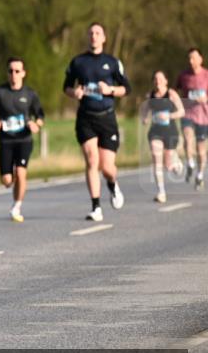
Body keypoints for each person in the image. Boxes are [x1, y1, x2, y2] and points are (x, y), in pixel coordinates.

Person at [63, 22, 132, 222]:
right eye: (91, 33)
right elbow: (66, 87)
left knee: (107, 167)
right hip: (86, 118)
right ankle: (96, 207)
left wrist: (110, 90)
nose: (94, 36)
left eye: (98, 33)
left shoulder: (112, 62)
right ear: (88, 37)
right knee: (92, 160)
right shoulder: (78, 62)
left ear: (104, 38)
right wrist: (73, 92)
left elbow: (127, 88)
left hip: (107, 118)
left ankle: (112, 185)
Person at [0, 57, 45, 222]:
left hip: (24, 140)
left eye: (17, 71)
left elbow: (40, 115)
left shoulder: (30, 94)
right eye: (10, 71)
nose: (14, 74)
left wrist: (36, 125)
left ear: (23, 73)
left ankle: (17, 206)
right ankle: (13, 182)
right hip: (6, 141)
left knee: (21, 172)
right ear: (7, 73)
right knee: (7, 180)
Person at [140, 71, 185, 203]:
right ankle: (161, 192)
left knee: (168, 165)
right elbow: (144, 110)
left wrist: (169, 116)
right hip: (155, 131)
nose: (157, 81)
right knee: (156, 157)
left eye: (160, 79)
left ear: (166, 81)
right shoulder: (150, 96)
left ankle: (176, 163)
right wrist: (145, 118)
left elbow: (182, 111)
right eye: (155, 79)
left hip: (170, 131)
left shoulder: (171, 94)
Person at [175, 47, 208, 190]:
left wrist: (205, 98)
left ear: (201, 59)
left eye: (194, 57)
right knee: (188, 139)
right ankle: (190, 163)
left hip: (203, 115)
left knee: (201, 150)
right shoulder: (183, 75)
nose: (191, 61)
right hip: (187, 113)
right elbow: (175, 91)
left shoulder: (206, 75)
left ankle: (200, 175)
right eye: (189, 58)